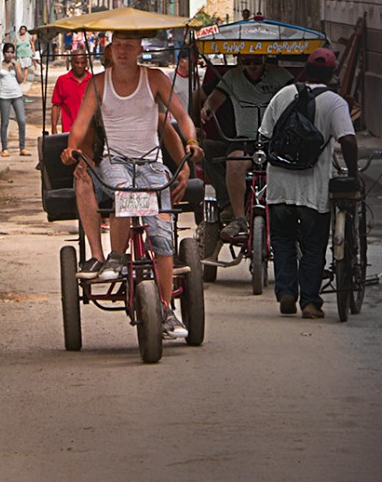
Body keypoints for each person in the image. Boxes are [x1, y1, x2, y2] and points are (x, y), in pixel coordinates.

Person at [62, 29, 201, 340]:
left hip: (152, 165)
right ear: (111, 50)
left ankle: (166, 309)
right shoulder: (99, 84)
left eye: (129, 45)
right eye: (118, 45)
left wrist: (190, 145)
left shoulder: (155, 80)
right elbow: (80, 125)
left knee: (162, 236)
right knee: (125, 191)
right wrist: (72, 149)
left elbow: (179, 117)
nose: (123, 51)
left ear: (140, 49)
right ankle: (113, 256)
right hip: (115, 163)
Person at [258, 48, 357, 319]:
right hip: (314, 189)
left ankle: (287, 292)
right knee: (314, 245)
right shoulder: (335, 103)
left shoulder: (283, 95)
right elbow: (347, 140)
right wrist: (354, 175)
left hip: (279, 185)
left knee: (282, 239)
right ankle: (310, 302)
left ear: (304, 70)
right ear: (333, 74)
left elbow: (265, 136)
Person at [199, 53, 292, 239]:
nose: (252, 66)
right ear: (241, 62)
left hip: (274, 139)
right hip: (245, 139)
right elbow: (215, 99)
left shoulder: (280, 75)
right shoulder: (232, 77)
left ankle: (288, 212)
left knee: (290, 165)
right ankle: (239, 217)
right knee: (234, 162)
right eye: (247, 62)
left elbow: (297, 95)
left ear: (265, 60)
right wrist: (208, 108)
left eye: (257, 61)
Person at [0, 42, 29, 157]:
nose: (9, 54)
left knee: (21, 121)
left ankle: (22, 147)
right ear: (3, 53)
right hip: (4, 97)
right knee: (4, 122)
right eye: (8, 52)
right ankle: (4, 148)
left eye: (12, 52)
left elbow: (21, 79)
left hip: (17, 95)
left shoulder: (16, 64)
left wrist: (16, 68)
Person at [51, 50, 92, 134]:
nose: (80, 66)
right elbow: (56, 105)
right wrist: (54, 127)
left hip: (89, 131)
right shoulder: (62, 80)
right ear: (71, 63)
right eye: (77, 63)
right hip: (69, 130)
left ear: (86, 63)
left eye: (82, 63)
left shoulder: (93, 81)